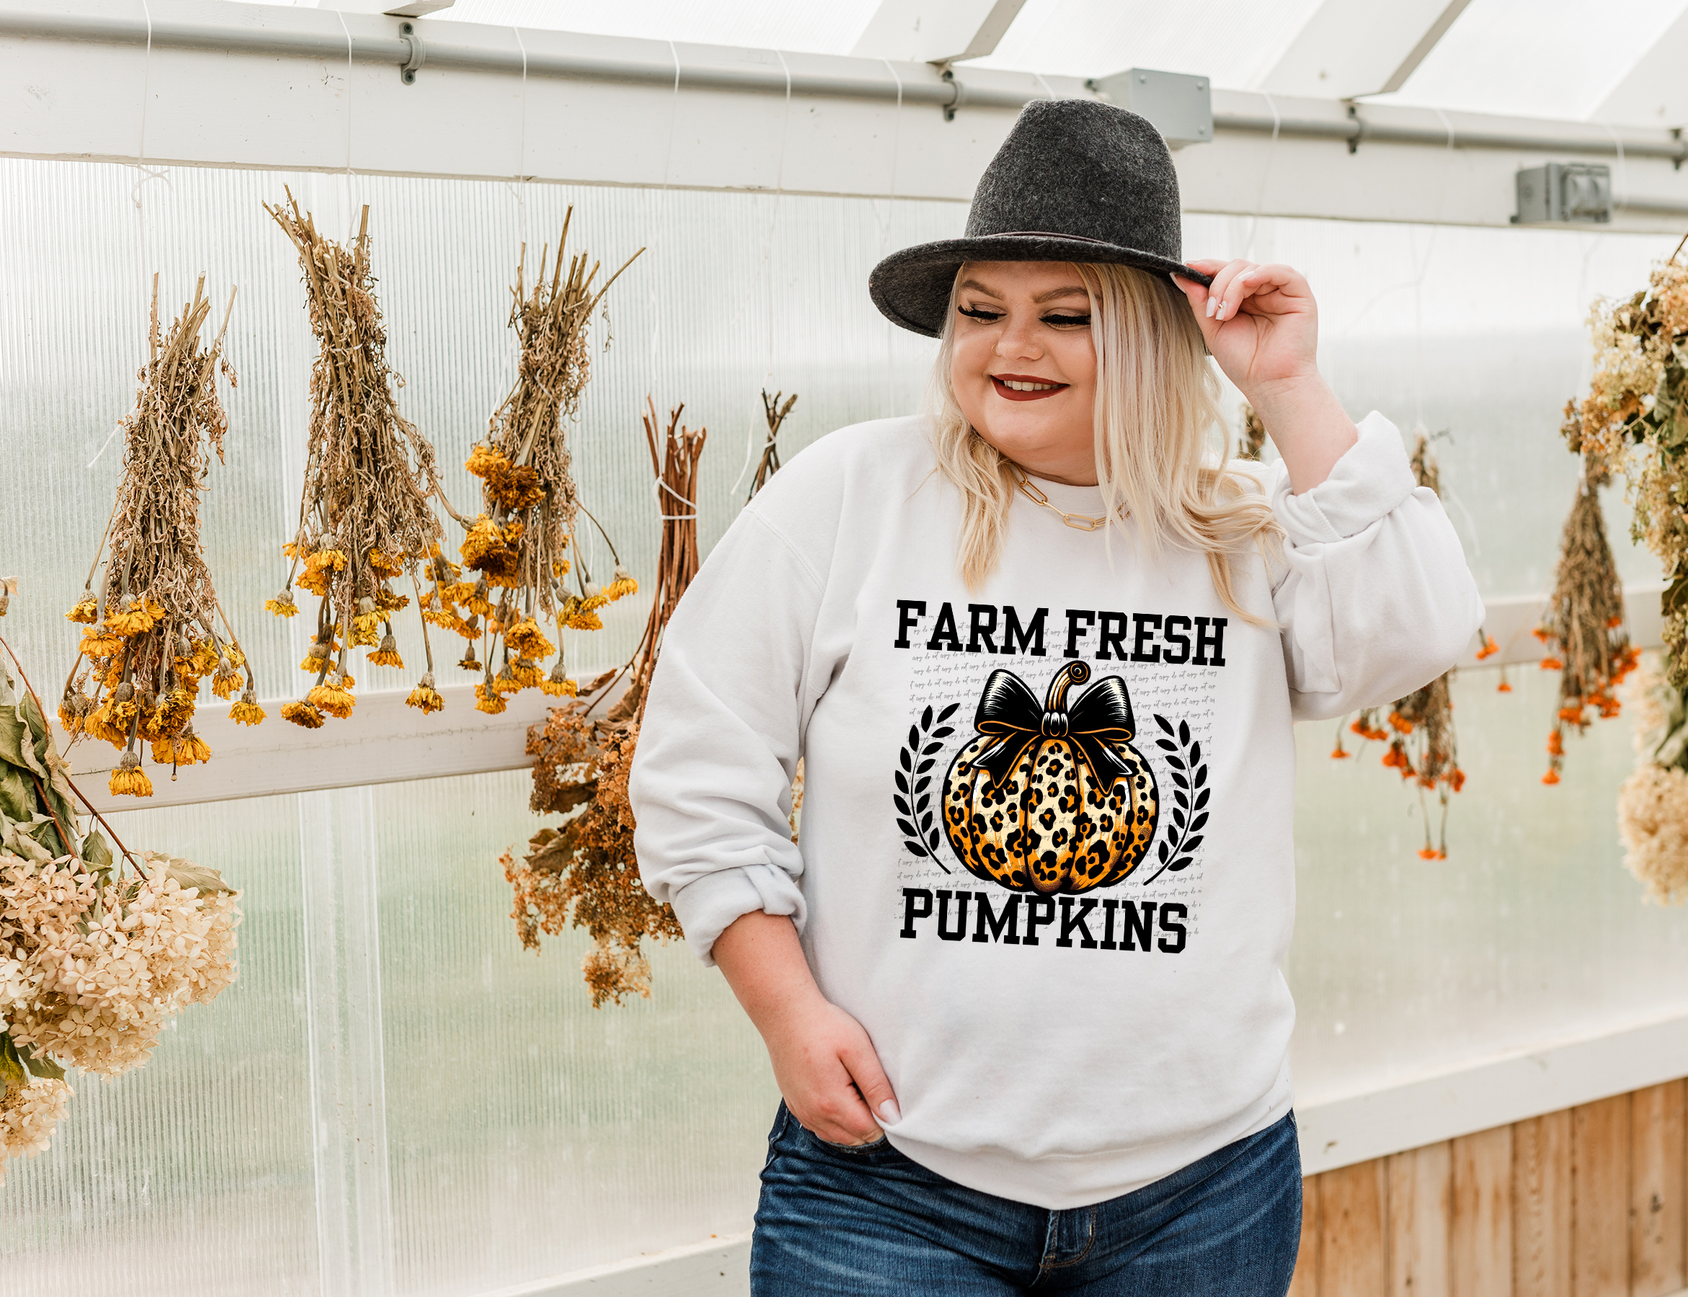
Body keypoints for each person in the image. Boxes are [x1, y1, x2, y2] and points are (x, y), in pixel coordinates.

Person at [630, 98, 1482, 1294]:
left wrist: (1287, 387)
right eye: (980, 311)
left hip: (1198, 1188)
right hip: (889, 1176)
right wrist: (788, 1014)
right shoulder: (850, 497)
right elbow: (696, 772)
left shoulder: (1238, 529)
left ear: (1145, 332)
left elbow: (1421, 625)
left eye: (1062, 315)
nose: (1008, 346)